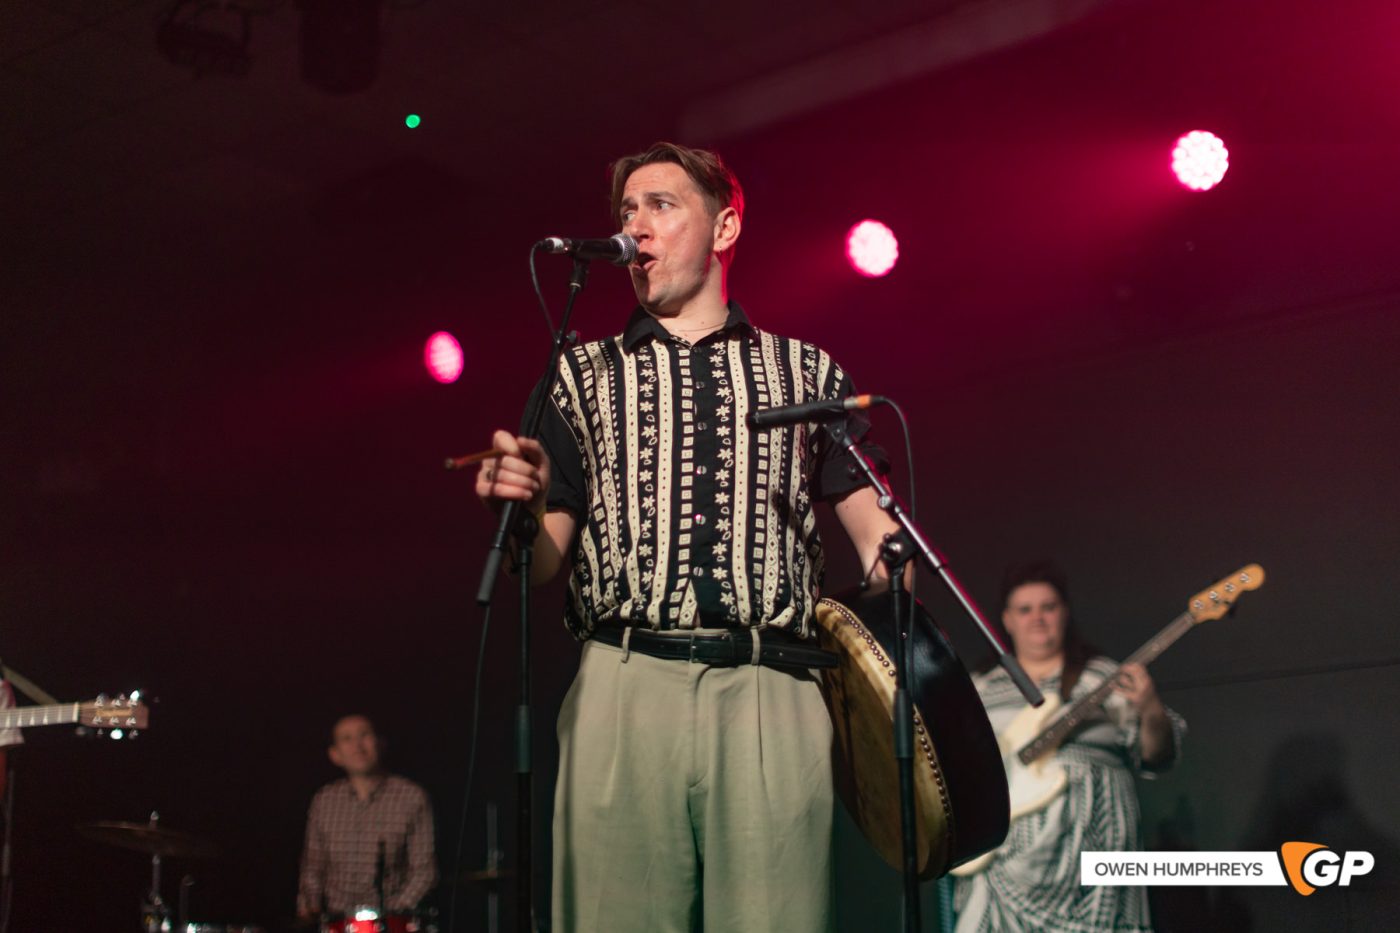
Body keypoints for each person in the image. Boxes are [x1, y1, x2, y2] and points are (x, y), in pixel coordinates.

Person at [474, 141, 903, 932]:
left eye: (660, 205)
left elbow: (882, 545)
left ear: (725, 227)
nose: (636, 227)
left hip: (771, 686)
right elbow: (541, 564)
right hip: (623, 678)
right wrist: (526, 501)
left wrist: (893, 574)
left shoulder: (807, 372)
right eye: (626, 211)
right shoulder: (579, 373)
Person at [951, 560, 1187, 933]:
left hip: (1094, 855)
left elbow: (1157, 757)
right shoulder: (980, 686)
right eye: (1025, 610)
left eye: (1048, 607)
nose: (1037, 618)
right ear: (1007, 620)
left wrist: (1149, 705)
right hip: (1005, 862)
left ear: (1065, 614)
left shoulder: (1102, 676)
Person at [296, 714, 437, 923]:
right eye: (347, 739)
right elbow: (313, 867)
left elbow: (424, 872)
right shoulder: (324, 800)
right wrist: (310, 907)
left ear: (379, 743)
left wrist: (385, 917)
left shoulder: (411, 797)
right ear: (335, 754)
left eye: (364, 735)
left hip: (391, 921)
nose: (358, 746)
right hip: (336, 921)